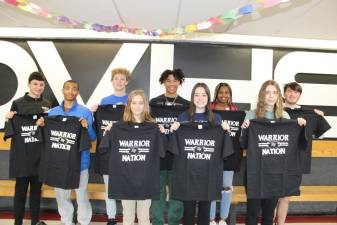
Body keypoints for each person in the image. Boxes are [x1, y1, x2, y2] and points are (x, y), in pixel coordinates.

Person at [241, 80, 305, 225]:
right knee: (252, 213)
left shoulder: (285, 116)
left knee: (269, 215)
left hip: (276, 173)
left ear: (278, 96)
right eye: (268, 92)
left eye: (274, 92)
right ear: (262, 94)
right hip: (255, 172)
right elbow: (244, 144)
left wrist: (299, 126)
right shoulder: (251, 115)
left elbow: (293, 145)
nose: (271, 96)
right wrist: (244, 129)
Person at [37, 80, 96, 225]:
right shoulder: (52, 113)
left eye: (74, 89)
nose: (71, 91)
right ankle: (67, 221)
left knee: (81, 196)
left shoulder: (85, 112)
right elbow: (45, 137)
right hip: (59, 162)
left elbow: (93, 137)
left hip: (81, 162)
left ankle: (83, 222)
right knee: (62, 196)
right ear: (62, 90)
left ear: (78, 92)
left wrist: (86, 127)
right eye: (68, 88)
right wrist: (41, 126)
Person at [170, 83, 230, 225]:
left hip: (208, 173)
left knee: (205, 211)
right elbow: (173, 145)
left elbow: (222, 144)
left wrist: (226, 131)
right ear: (192, 97)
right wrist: (173, 130)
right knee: (188, 211)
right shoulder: (183, 116)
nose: (200, 98)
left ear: (208, 97)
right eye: (196, 94)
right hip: (187, 173)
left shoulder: (216, 119)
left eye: (203, 94)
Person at [105, 89, 165, 225]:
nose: (137, 106)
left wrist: (161, 133)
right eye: (134, 103)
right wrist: (109, 131)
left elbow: (162, 152)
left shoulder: (153, 127)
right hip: (126, 180)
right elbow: (104, 148)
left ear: (145, 106)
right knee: (128, 217)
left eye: (140, 103)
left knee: (144, 218)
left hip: (146, 180)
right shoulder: (118, 127)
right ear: (129, 105)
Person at [275, 82, 330, 225]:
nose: (292, 94)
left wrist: (318, 116)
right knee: (272, 196)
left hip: (296, 161)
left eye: (295, 92)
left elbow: (319, 132)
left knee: (286, 197)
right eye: (289, 91)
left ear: (299, 95)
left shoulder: (310, 114)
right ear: (284, 94)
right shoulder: (276, 111)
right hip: (275, 158)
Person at [4, 72, 51, 225]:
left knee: (37, 192)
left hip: (40, 155)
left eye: (41, 84)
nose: (38, 87)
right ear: (29, 84)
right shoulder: (18, 103)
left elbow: (50, 130)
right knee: (20, 191)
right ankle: (17, 222)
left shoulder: (47, 104)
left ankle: (35, 222)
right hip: (22, 155)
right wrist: (8, 119)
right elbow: (11, 127)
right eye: (35, 84)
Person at [149, 69, 189, 225]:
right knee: (157, 192)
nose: (172, 83)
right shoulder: (153, 103)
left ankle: (174, 221)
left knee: (176, 192)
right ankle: (157, 221)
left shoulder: (187, 105)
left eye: (175, 80)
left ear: (180, 82)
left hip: (177, 155)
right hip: (158, 154)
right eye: (168, 80)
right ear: (163, 82)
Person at [93, 67, 131, 225]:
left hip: (126, 150)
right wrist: (94, 112)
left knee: (126, 184)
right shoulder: (104, 102)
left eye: (123, 79)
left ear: (127, 82)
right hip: (108, 151)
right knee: (109, 187)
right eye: (117, 79)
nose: (119, 82)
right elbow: (97, 128)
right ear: (112, 81)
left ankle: (128, 215)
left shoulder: (132, 100)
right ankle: (111, 217)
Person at [209, 83, 238, 225]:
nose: (224, 95)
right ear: (216, 93)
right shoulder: (209, 109)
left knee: (226, 188)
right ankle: (211, 219)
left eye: (227, 92)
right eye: (221, 92)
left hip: (229, 154)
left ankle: (223, 219)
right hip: (212, 154)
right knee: (212, 186)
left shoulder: (235, 110)